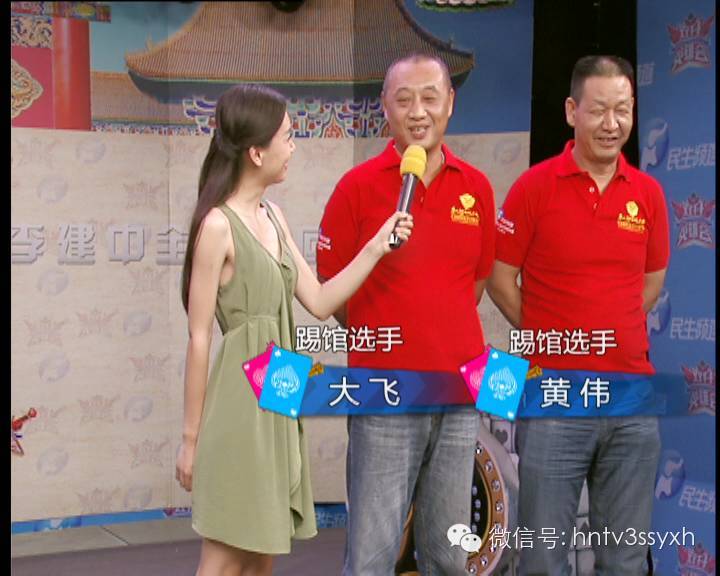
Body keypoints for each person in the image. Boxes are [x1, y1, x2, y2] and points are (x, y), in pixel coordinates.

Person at [175, 84, 413, 576]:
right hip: (239, 402)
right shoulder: (217, 226)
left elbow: (321, 301)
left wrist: (375, 246)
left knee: (263, 553)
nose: (294, 146)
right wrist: (190, 439)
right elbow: (199, 338)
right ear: (256, 152)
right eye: (287, 136)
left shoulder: (274, 217)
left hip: (279, 392)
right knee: (222, 558)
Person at [488, 55, 670, 575]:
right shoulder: (534, 188)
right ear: (572, 111)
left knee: (626, 560)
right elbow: (500, 278)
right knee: (544, 558)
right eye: (599, 110)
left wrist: (611, 327)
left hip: (631, 401)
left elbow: (651, 284)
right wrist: (551, 333)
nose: (612, 124)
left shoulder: (648, 195)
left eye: (623, 110)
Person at [316, 53, 496, 575]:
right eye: (404, 100)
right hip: (384, 395)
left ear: (450, 103)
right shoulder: (357, 187)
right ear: (385, 108)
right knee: (372, 555)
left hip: (458, 396)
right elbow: (335, 291)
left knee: (448, 554)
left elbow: (474, 285)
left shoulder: (477, 188)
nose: (418, 112)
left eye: (430, 98)